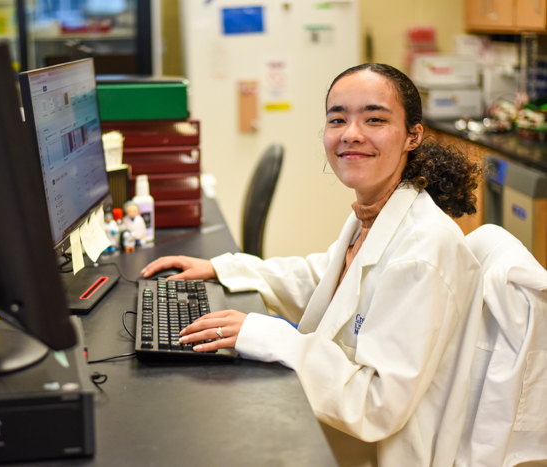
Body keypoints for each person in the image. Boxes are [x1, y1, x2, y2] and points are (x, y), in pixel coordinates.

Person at [141, 63, 484, 466]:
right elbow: (328, 279)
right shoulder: (376, 212)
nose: (350, 133)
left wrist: (268, 335)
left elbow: (376, 405)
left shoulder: (422, 251)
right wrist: (228, 269)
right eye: (337, 119)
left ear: (413, 135)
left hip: (377, 451)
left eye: (374, 118)